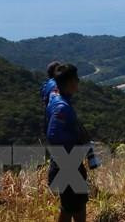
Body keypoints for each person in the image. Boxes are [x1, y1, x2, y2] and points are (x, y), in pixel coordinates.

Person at [47, 64, 94, 222]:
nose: (79, 81)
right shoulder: (62, 107)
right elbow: (52, 135)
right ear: (69, 83)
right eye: (76, 79)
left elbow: (49, 85)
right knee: (78, 206)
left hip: (64, 164)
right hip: (67, 165)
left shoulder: (55, 95)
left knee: (69, 207)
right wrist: (78, 139)